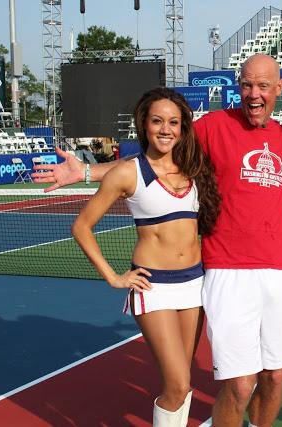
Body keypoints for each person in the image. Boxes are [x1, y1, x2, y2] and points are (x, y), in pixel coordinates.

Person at [34, 54, 282, 427]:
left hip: (242, 275)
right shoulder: (214, 125)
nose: (254, 93)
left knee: (271, 377)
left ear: (280, 88)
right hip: (219, 272)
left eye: (263, 85)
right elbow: (155, 155)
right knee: (224, 385)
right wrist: (86, 170)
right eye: (246, 84)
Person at [71, 87, 221, 426]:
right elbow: (82, 226)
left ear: (183, 128)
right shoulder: (128, 172)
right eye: (157, 121)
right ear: (144, 124)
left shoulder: (195, 167)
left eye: (173, 122)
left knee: (184, 386)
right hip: (154, 288)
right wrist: (114, 276)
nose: (165, 129)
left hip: (194, 285)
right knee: (178, 384)